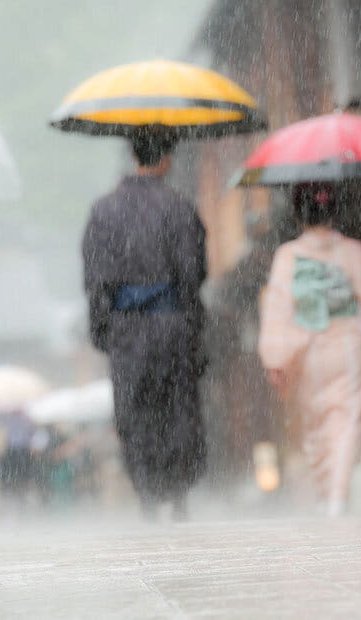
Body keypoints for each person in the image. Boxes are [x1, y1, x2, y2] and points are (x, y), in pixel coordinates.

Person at [81, 127, 207, 520]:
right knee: (178, 408)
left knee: (135, 412)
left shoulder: (104, 211)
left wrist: (103, 327)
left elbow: (95, 278)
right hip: (171, 322)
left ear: (134, 155)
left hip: (127, 326)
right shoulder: (179, 207)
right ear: (166, 159)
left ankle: (148, 493)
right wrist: (191, 325)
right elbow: (194, 272)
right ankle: (179, 492)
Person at [258, 182, 361, 516]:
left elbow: (278, 308)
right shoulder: (352, 251)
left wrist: (276, 357)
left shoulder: (288, 255)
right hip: (348, 346)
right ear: (333, 211)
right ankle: (337, 494)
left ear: (298, 214)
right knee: (348, 420)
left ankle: (327, 489)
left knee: (317, 422)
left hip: (309, 351)